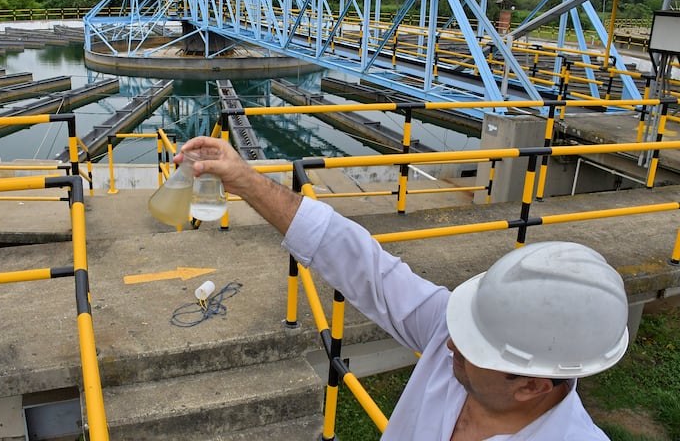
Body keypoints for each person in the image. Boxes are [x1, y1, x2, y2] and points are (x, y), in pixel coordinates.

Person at [175, 136, 630, 441]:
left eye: (469, 344)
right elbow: (361, 264)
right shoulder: (464, 341)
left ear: (531, 387)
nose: (449, 340)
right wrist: (245, 179)